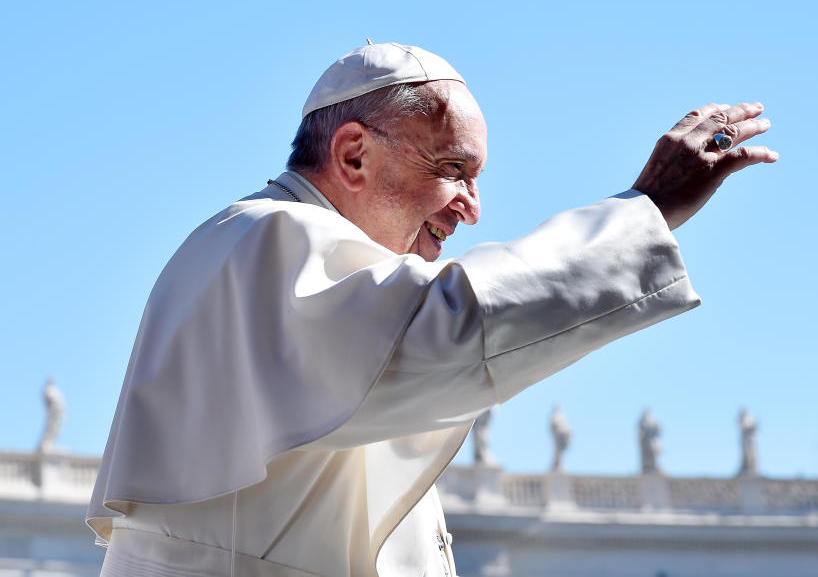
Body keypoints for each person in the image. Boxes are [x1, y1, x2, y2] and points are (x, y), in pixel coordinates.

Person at [86, 42, 777, 577]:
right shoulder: (270, 238)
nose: (472, 209)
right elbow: (441, 334)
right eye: (454, 171)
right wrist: (645, 212)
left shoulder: (275, 250)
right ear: (353, 154)